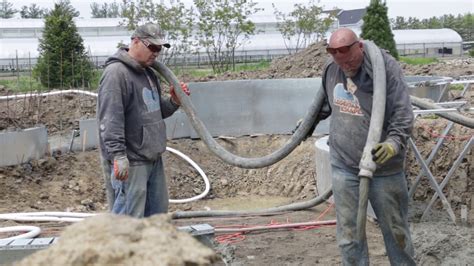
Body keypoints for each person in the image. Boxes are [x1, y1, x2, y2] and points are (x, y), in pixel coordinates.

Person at [316, 28, 415, 265]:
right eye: (339, 60)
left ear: (359, 47)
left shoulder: (385, 69)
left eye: (349, 60)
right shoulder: (332, 70)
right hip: (344, 165)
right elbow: (328, 103)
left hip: (384, 170)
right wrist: (307, 121)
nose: (345, 66)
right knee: (349, 234)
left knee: (396, 232)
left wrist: (392, 144)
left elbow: (403, 114)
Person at [97, 23, 190, 218]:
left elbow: (154, 112)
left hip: (152, 158)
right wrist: (118, 156)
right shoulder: (116, 74)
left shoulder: (148, 73)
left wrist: (174, 101)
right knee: (128, 221)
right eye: (153, 47)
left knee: (156, 217)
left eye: (159, 49)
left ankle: (149, 249)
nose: (156, 53)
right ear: (136, 42)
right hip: (132, 161)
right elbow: (110, 119)